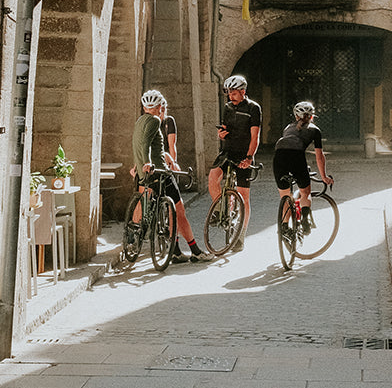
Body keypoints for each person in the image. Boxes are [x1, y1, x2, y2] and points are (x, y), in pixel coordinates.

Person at [131, 90, 211, 262]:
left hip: (144, 173)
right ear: (160, 107)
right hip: (158, 172)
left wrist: (138, 165)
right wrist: (147, 163)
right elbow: (146, 145)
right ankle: (195, 250)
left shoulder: (140, 121)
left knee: (143, 202)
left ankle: (133, 238)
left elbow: (138, 144)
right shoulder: (154, 120)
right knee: (178, 210)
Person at [209, 73, 262, 246]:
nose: (230, 97)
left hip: (243, 153)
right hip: (228, 151)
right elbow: (224, 128)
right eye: (229, 93)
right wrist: (221, 134)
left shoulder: (254, 108)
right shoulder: (227, 107)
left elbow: (255, 137)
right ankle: (221, 210)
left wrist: (249, 157)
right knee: (213, 178)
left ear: (242, 91)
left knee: (244, 195)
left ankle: (240, 235)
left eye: (233, 93)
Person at [272, 100, 332, 233]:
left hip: (279, 156)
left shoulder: (287, 128)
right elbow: (319, 156)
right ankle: (305, 218)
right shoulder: (315, 130)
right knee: (305, 192)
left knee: (285, 196)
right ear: (312, 116)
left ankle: (284, 228)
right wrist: (324, 176)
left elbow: (287, 145)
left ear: (296, 116)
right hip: (297, 157)